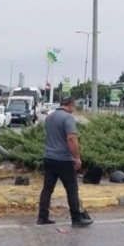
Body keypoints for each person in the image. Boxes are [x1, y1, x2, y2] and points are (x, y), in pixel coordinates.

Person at [37, 96, 93, 228]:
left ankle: (42, 217)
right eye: (74, 106)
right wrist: (77, 157)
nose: (74, 109)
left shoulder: (49, 117)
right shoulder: (68, 118)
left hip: (49, 157)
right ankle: (76, 219)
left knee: (47, 189)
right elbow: (71, 138)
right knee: (72, 188)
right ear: (70, 105)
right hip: (63, 159)